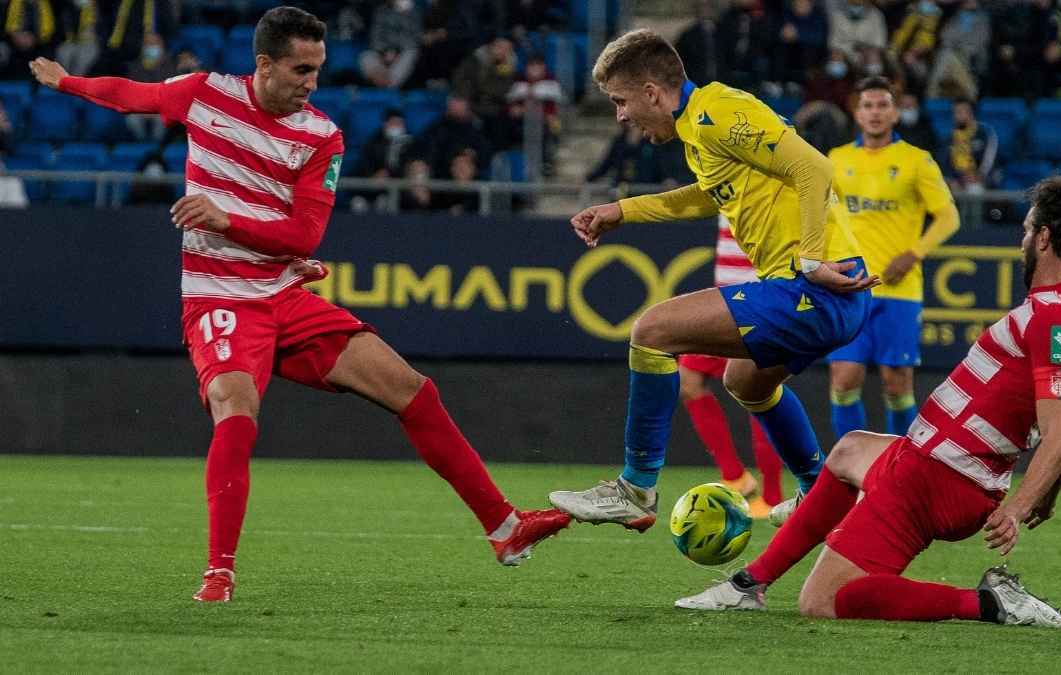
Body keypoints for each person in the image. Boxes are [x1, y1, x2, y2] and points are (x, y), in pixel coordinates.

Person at [29, 5, 569, 604]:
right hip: (218, 297)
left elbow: (304, 235)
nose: (312, 82)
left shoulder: (322, 136)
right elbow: (133, 94)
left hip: (283, 294)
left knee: (413, 390)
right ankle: (219, 572)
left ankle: (503, 526)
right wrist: (67, 82)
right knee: (237, 410)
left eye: (317, 70)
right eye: (300, 69)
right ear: (264, 64)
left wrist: (228, 219)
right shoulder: (204, 94)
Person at [677, 176, 1061, 630]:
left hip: (938, 474)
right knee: (849, 450)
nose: (1022, 240)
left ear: (1043, 238)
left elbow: (1060, 432)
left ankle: (987, 603)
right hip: (937, 462)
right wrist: (1046, 497)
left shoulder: (1053, 316)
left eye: (1026, 230)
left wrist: (1021, 508)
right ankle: (751, 584)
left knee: (824, 600)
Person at [548, 29, 878, 532]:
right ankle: (821, 492)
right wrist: (623, 210)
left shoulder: (717, 113)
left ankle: (635, 488)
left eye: (620, 101)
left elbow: (814, 167)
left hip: (819, 283)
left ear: (652, 93)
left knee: (652, 332)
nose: (620, 115)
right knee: (744, 381)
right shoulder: (701, 130)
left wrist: (810, 259)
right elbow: (708, 195)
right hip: (821, 288)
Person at [821, 77, 959, 512]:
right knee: (844, 379)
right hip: (849, 289)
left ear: (895, 112)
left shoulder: (916, 161)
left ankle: (902, 472)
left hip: (900, 290)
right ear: (856, 113)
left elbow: (948, 216)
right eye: (868, 105)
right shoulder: (836, 160)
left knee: (897, 383)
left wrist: (913, 253)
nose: (876, 112)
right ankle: (853, 474)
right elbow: (818, 215)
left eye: (883, 105)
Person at [678, 214, 785, 519]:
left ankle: (773, 496)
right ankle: (736, 477)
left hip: (761, 301)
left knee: (758, 392)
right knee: (688, 379)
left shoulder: (777, 177)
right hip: (723, 302)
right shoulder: (727, 176)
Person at [941, 98, 997, 192]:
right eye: (957, 112)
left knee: (974, 189)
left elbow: (989, 160)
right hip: (957, 179)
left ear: (972, 114)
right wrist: (951, 179)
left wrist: (979, 176)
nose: (960, 115)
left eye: (964, 111)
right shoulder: (949, 137)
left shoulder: (985, 134)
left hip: (979, 178)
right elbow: (943, 161)